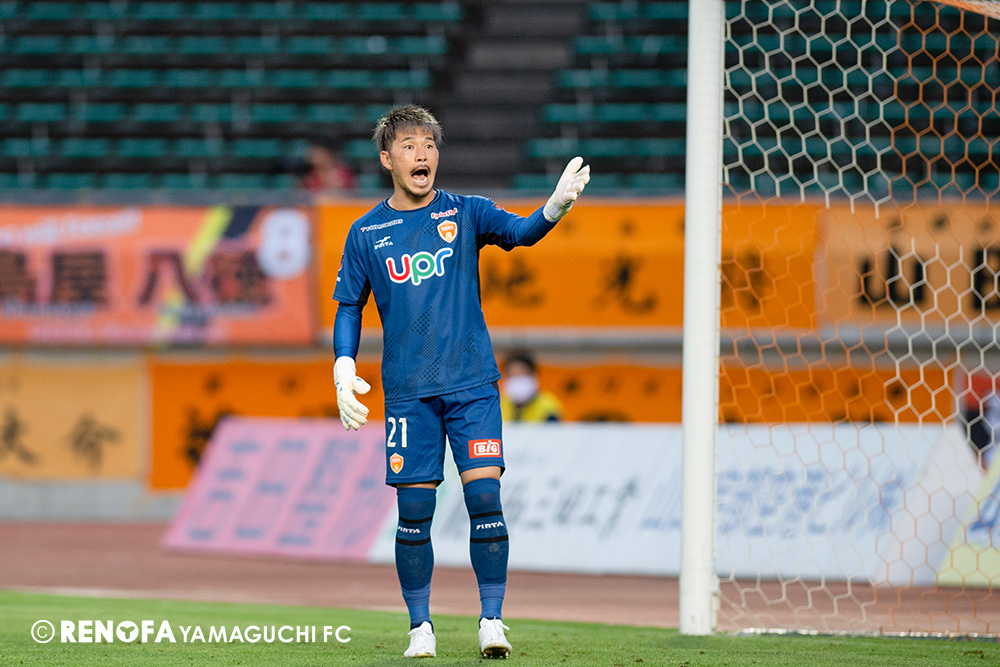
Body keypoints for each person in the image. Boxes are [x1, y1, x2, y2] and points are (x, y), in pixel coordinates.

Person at [331, 105, 589, 659]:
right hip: (408, 393)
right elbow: (349, 304)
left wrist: (554, 208)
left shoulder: (467, 211)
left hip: (472, 384)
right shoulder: (366, 232)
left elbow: (520, 232)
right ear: (387, 159)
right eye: (408, 146)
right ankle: (419, 627)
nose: (421, 154)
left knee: (484, 496)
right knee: (414, 513)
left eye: (429, 144)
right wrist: (343, 366)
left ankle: (492, 620)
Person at [500, 350, 564, 422]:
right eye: (512, 375)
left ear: (533, 375)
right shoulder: (498, 405)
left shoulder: (548, 406)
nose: (518, 380)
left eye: (522, 374)